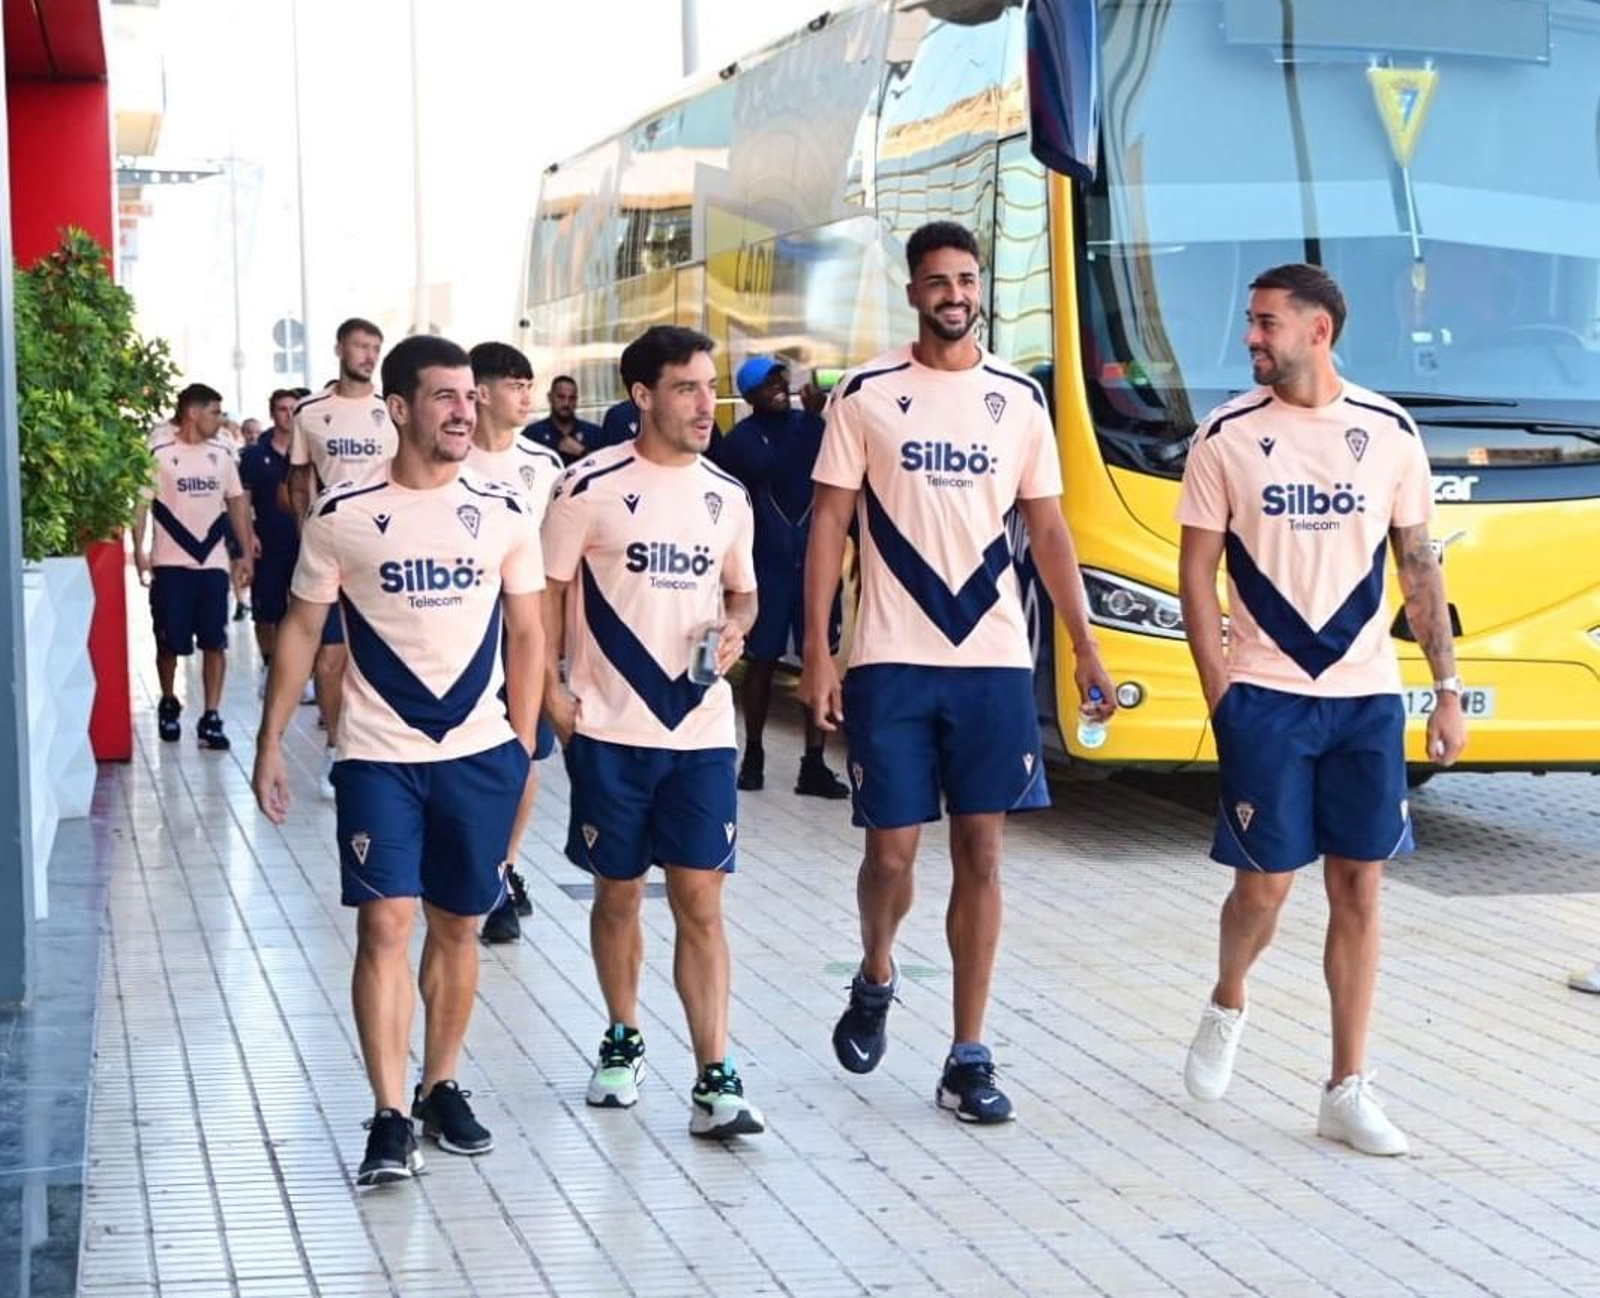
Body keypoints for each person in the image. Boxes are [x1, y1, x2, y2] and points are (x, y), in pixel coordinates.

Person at [799, 220, 1115, 1124]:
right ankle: (876, 972)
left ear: (981, 288)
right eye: (938, 281)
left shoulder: (1017, 398)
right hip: (891, 661)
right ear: (913, 293)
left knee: (982, 851)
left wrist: (1084, 645)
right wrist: (818, 650)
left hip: (992, 663)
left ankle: (968, 1054)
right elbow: (829, 525)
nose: (955, 295)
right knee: (891, 853)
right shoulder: (865, 394)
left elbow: (1048, 530)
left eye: (967, 280)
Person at [1175, 262, 1467, 1156]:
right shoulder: (1226, 435)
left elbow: (1418, 567)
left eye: (1266, 323)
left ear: (1319, 331)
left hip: (1364, 698)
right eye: (1251, 321)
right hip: (1265, 696)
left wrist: (1445, 691)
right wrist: (1221, 692)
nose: (1250, 337)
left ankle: (1346, 1086)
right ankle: (1229, 998)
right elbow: (1196, 574)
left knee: (1360, 886)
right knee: (1264, 887)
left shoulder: (1388, 432)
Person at [252, 335, 545, 1186]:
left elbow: (530, 631)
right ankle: (388, 1114)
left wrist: (523, 745)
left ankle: (439, 1085)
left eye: (469, 396)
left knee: (459, 924)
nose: (464, 410)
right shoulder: (342, 512)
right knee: (385, 923)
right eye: (445, 396)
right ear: (399, 408)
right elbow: (303, 627)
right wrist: (271, 742)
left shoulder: (503, 507)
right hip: (378, 756)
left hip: (479, 754)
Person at [542, 324, 764, 1140]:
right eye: (686, 388)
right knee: (619, 892)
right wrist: (551, 695)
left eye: (710, 386)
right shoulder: (585, 485)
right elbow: (542, 593)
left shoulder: (727, 494)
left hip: (698, 729)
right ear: (642, 396)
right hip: (609, 729)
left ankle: (715, 1075)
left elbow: (744, 594)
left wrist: (737, 626)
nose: (707, 404)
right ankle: (623, 1035)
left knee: (700, 899)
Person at [710, 355, 847, 798]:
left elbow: (835, 475)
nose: (777, 387)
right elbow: (774, 471)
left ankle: (814, 763)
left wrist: (817, 419)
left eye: (778, 379)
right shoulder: (742, 440)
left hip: (813, 564)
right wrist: (813, 421)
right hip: (766, 567)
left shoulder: (811, 426)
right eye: (766, 384)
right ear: (749, 395)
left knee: (818, 658)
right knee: (762, 662)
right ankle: (753, 755)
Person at [465, 341, 565, 945]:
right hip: (462, 633)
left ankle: (503, 870)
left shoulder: (544, 466)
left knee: (525, 753)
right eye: (514, 385)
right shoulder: (451, 458)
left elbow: (560, 567)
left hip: (526, 632)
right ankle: (474, 864)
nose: (527, 396)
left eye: (530, 385)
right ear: (480, 392)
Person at [287, 317, 397, 798]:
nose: (369, 355)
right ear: (339, 349)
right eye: (361, 346)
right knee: (330, 660)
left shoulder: (391, 408)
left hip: (386, 551)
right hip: (333, 549)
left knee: (379, 657)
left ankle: (382, 746)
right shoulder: (311, 411)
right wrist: (306, 532)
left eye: (375, 347)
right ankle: (336, 747)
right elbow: (298, 479)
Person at [132, 383, 255, 750]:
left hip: (212, 563)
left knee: (215, 642)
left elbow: (236, 502)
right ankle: (169, 701)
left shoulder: (223, 452)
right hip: (170, 564)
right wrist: (139, 550)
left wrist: (244, 553)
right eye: (215, 412)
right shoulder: (159, 451)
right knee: (170, 641)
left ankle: (211, 716)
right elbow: (141, 504)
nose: (221, 419)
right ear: (193, 413)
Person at [238, 390, 314, 703]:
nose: (288, 414)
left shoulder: (310, 449)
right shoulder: (254, 455)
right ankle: (269, 664)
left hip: (304, 542)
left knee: (303, 609)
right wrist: (247, 536)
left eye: (293, 409)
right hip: (267, 542)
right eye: (282, 409)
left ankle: (303, 674)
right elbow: (242, 500)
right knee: (266, 612)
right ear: (272, 413)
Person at [522, 374, 603, 464]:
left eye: (571, 398)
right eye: (561, 397)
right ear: (550, 397)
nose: (566, 403)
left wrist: (583, 452)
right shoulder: (533, 434)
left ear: (576, 400)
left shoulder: (594, 434)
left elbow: (607, 466)